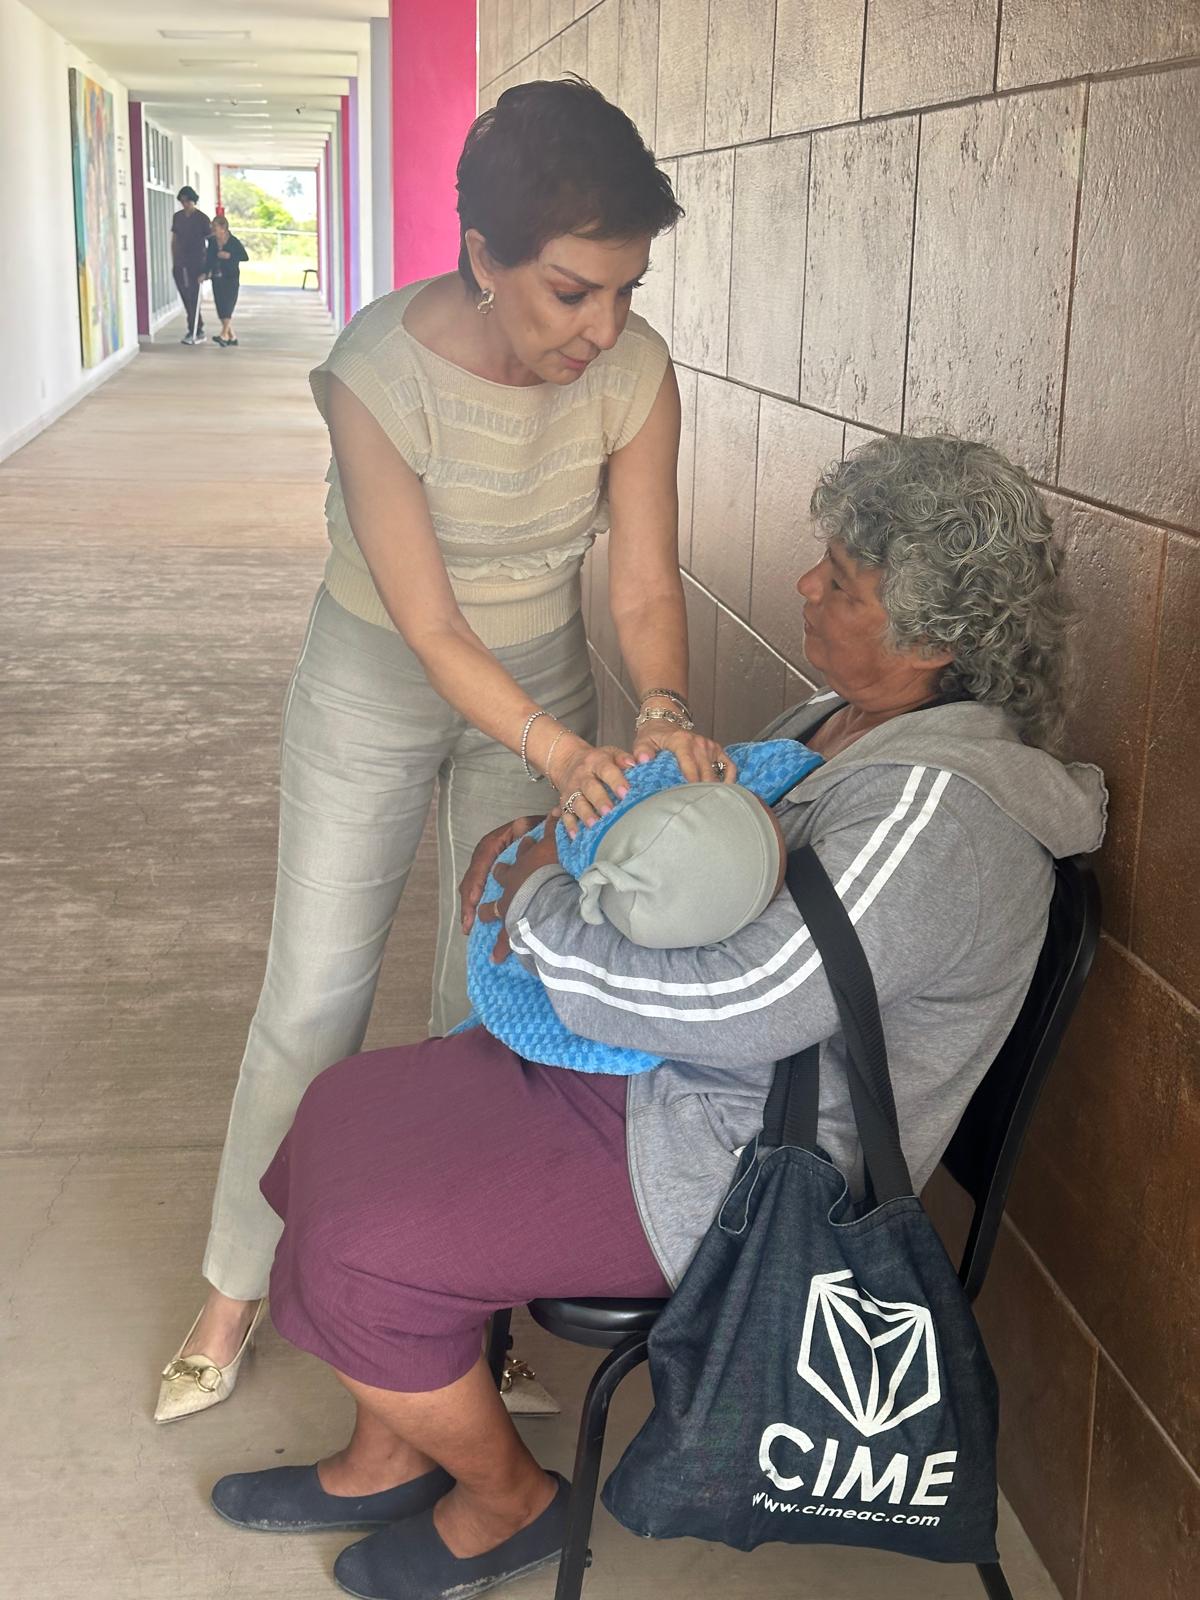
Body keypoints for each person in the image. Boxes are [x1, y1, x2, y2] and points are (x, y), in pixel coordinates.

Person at [205, 433, 1106, 1600]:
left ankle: (508, 1502)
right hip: (669, 1082)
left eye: (843, 582)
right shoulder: (845, 721)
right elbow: (683, 862)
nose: (807, 584)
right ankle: (391, 1455)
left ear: (934, 640)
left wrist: (537, 905)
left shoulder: (937, 811)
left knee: (362, 1246)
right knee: (348, 1111)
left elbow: (747, 1000)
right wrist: (552, 839)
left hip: (734, 1162)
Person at [155, 79, 730, 1424]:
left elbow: (645, 580)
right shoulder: (377, 371)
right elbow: (428, 623)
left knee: (488, 1001)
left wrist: (658, 706)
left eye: (627, 291)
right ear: (483, 255)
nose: (604, 328)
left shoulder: (636, 373)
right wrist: (561, 750)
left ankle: (464, 1306)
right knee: (315, 992)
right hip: (376, 678)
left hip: (545, 682)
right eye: (572, 292)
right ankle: (235, 1287)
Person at [171, 186, 210, 345]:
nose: (185, 204)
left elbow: (210, 241)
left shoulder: (202, 218)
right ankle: (196, 326)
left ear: (193, 201)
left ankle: (195, 329)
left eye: (188, 201)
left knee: (193, 295)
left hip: (196, 261)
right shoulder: (177, 217)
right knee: (185, 295)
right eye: (182, 202)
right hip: (180, 262)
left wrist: (207, 267)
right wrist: (174, 258)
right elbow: (174, 239)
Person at [204, 215, 249, 346]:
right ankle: (232, 337)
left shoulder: (233, 241)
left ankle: (223, 335)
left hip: (231, 278)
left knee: (228, 305)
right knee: (220, 306)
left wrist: (229, 255)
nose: (212, 229)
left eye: (215, 227)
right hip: (217, 277)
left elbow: (244, 256)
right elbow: (209, 259)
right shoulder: (212, 241)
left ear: (223, 228)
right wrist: (205, 272)